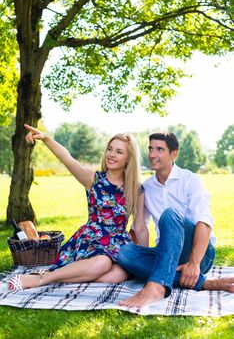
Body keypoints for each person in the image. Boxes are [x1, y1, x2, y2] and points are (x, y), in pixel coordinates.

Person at [8, 124, 148, 291]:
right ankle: (42, 279)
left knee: (117, 276)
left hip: (118, 243)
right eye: (110, 149)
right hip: (92, 239)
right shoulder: (93, 179)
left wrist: (144, 264)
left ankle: (71, 276)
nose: (111, 154)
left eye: (119, 151)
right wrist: (46, 138)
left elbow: (140, 227)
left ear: (128, 158)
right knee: (102, 263)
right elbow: (67, 158)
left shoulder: (135, 188)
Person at [117, 132, 234, 308]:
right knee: (124, 253)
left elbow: (204, 222)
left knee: (170, 214)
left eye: (159, 149)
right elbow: (140, 227)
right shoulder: (147, 188)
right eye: (150, 149)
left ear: (174, 154)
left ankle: (156, 286)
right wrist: (138, 254)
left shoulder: (190, 180)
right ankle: (206, 283)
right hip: (166, 253)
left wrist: (194, 263)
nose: (152, 154)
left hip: (198, 254)